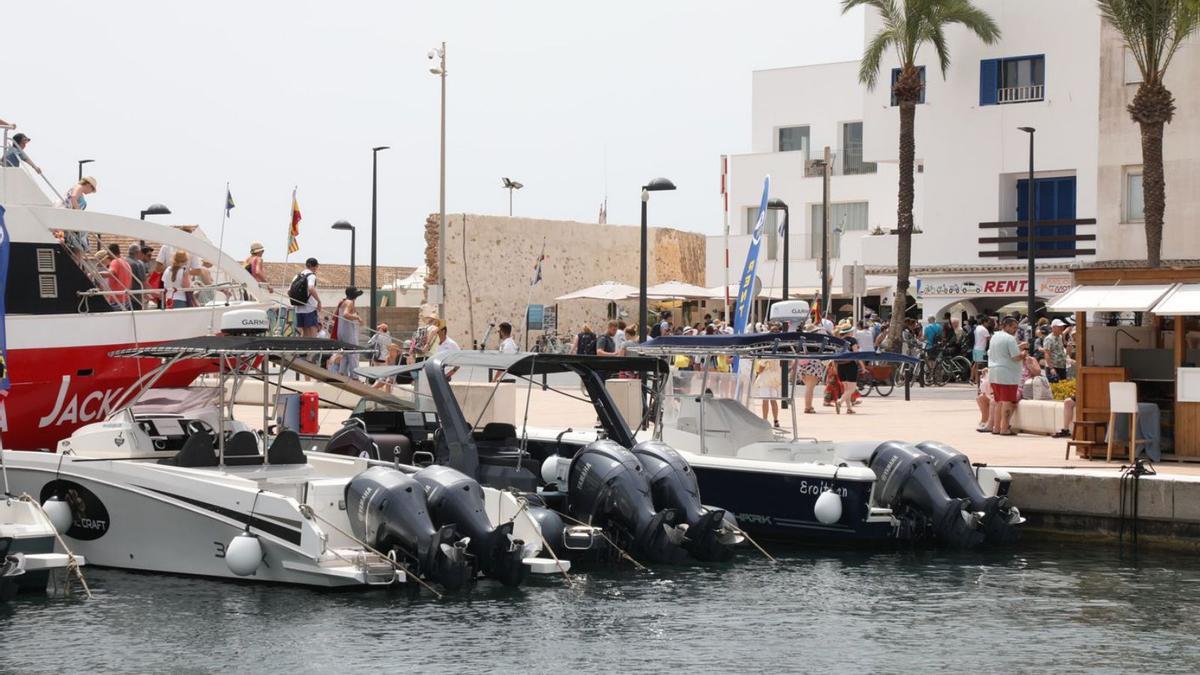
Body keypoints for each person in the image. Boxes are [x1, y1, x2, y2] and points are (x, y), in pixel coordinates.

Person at [987, 316, 1027, 436]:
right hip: (1007, 373)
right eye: (1014, 327)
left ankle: (996, 427)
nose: (1015, 330)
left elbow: (998, 352)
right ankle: (1004, 428)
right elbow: (1015, 357)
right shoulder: (1010, 339)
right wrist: (1023, 354)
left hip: (994, 371)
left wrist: (1018, 349)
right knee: (1007, 401)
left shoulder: (995, 336)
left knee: (999, 401)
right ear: (1007, 326)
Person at [333, 288, 363, 378]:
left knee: (345, 353)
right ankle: (355, 377)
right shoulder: (349, 302)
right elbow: (345, 314)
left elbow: (334, 315)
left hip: (341, 331)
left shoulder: (341, 302)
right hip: (349, 332)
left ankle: (342, 373)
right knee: (353, 353)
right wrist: (357, 317)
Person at [292, 258, 321, 337]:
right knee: (313, 333)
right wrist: (319, 301)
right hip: (309, 309)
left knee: (304, 334)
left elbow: (289, 291)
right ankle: (314, 349)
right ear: (314, 266)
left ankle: (305, 349)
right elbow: (311, 288)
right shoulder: (311, 276)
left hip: (298, 309)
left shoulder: (297, 276)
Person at [834, 343, 863, 414]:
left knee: (846, 390)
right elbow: (856, 354)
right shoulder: (852, 340)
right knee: (852, 388)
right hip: (850, 365)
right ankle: (840, 402)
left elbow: (834, 356)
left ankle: (849, 409)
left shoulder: (837, 341)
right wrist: (862, 366)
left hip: (840, 366)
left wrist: (835, 367)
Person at [102, 243, 133, 310]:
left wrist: (94, 273)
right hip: (126, 300)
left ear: (110, 252)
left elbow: (110, 274)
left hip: (116, 300)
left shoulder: (115, 262)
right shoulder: (126, 263)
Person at [971, 316, 991, 385]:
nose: (988, 324)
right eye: (988, 323)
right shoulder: (984, 329)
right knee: (979, 365)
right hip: (981, 349)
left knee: (975, 364)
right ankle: (976, 380)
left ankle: (971, 378)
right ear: (984, 322)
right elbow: (989, 338)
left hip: (976, 347)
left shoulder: (977, 328)